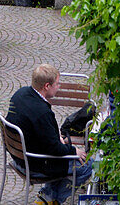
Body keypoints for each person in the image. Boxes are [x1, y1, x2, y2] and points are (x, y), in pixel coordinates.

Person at [6, 64, 93, 204]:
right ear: (47, 86)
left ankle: (47, 195)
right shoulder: (43, 112)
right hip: (35, 163)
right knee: (88, 165)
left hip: (19, 157)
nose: (59, 86)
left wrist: (56, 137)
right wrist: (74, 150)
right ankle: (51, 199)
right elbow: (55, 150)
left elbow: (40, 133)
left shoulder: (20, 94)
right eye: (57, 84)